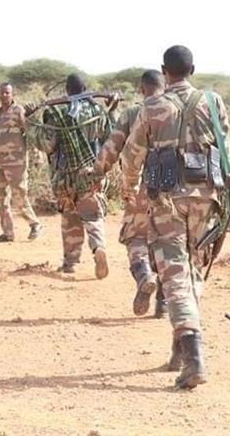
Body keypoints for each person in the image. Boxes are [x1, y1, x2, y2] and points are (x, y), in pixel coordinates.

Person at [120, 45, 230, 388]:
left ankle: (194, 357)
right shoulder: (213, 102)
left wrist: (129, 188)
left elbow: (132, 155)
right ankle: (179, 352)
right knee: (193, 271)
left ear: (163, 71)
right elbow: (226, 153)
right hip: (206, 200)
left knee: (174, 276)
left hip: (166, 201)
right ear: (192, 70)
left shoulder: (152, 106)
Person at [91, 70, 167, 316]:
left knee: (135, 237)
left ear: (142, 90)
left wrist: (98, 173)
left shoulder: (134, 113)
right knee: (171, 242)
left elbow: (113, 147)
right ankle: (164, 301)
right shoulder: (179, 110)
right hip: (177, 188)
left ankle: (143, 274)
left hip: (143, 185)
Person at [28, 74, 114, 278]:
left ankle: (70, 263)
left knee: (70, 218)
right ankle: (98, 248)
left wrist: (30, 121)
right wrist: (112, 110)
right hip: (91, 173)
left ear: (67, 90)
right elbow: (109, 139)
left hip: (64, 177)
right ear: (85, 90)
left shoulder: (56, 113)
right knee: (92, 216)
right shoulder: (97, 111)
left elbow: (46, 144)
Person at [0, 83, 42, 242]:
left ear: (12, 94)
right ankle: (8, 233)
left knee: (19, 196)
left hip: (16, 161)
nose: (4, 95)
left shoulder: (18, 111)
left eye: (7, 93)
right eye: (2, 92)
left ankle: (35, 224)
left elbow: (29, 134)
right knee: (0, 198)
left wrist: (37, 155)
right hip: (0, 162)